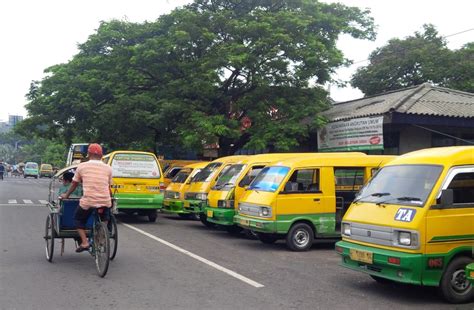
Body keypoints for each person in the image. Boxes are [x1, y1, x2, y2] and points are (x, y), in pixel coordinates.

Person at [60, 143, 112, 253]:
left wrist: (67, 195)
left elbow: (74, 184)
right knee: (105, 218)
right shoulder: (108, 168)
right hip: (105, 200)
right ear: (101, 155)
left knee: (78, 219)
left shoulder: (82, 166)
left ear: (89, 154)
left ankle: (84, 242)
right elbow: (108, 186)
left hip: (89, 201)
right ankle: (102, 237)